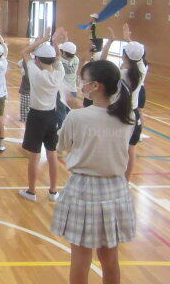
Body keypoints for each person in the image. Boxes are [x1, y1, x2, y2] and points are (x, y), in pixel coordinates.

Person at [52, 60, 136, 284]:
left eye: (84, 81)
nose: (82, 84)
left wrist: (75, 110)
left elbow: (62, 145)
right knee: (110, 259)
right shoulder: (127, 117)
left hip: (83, 189)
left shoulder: (77, 117)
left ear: (96, 86)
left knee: (80, 259)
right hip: (116, 188)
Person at [19, 28, 66, 203]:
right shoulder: (59, 73)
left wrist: (44, 39)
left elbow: (25, 52)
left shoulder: (36, 73)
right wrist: (55, 42)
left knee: (35, 155)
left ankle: (31, 191)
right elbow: (58, 58)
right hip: (52, 116)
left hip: (36, 117)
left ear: (37, 60)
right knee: (52, 154)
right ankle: (53, 192)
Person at [100, 24, 147, 182]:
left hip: (118, 114)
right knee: (130, 150)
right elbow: (137, 56)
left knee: (112, 148)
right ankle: (125, 182)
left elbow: (102, 63)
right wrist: (128, 39)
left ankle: (110, 177)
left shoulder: (121, 74)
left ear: (124, 56)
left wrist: (110, 42)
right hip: (133, 115)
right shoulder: (141, 70)